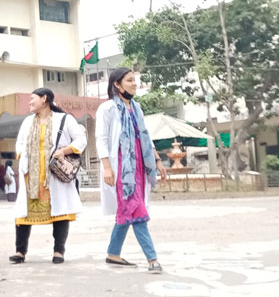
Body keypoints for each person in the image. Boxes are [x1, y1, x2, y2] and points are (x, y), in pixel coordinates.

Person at [96, 68, 167, 274]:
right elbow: (101, 138)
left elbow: (146, 135)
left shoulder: (136, 108)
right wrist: (107, 167)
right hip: (120, 168)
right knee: (135, 208)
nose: (134, 84)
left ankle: (113, 253)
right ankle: (152, 258)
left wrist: (157, 160)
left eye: (135, 80)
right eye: (129, 80)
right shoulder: (107, 109)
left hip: (139, 166)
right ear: (117, 85)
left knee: (128, 209)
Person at [9, 88, 87, 264]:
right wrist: (25, 157)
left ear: (44, 99)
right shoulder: (28, 122)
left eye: (32, 99)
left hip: (54, 174)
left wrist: (64, 151)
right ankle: (20, 252)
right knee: (23, 215)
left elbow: (81, 140)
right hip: (32, 177)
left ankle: (58, 251)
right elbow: (19, 143)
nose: (29, 102)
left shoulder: (64, 119)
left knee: (60, 212)